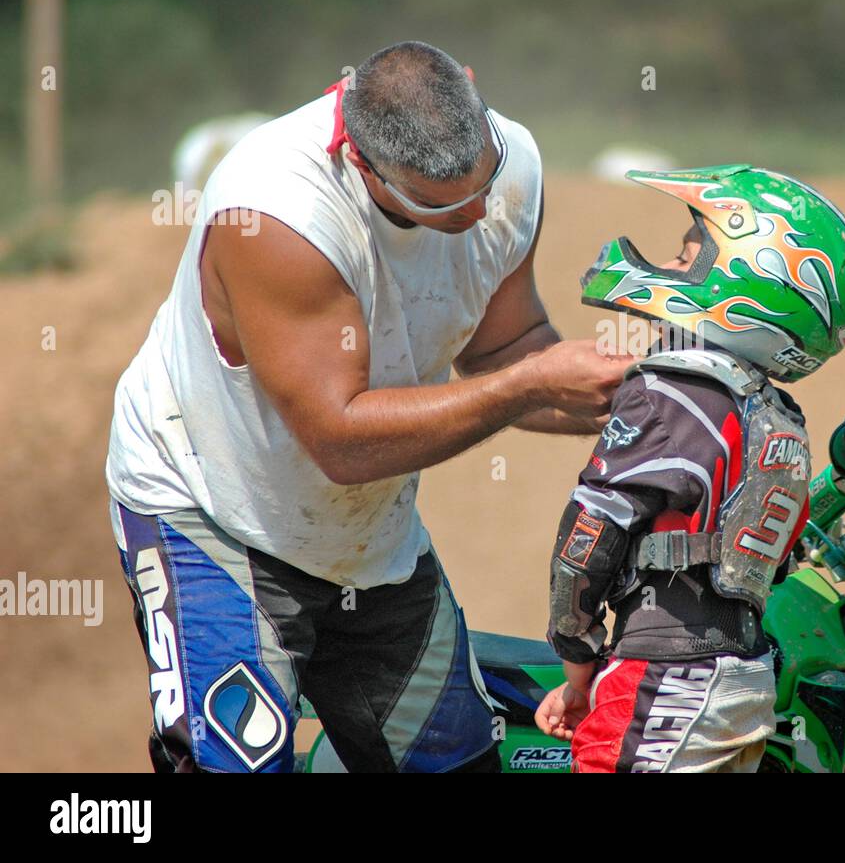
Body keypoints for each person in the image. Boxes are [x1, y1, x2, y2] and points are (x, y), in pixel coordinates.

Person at [106, 41, 634, 772]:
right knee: (234, 763)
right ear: (361, 162)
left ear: (475, 94)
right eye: (440, 204)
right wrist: (533, 385)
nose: (479, 212)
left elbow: (502, 350)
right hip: (210, 505)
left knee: (455, 763)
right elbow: (342, 442)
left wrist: (644, 400)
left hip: (363, 533)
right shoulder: (274, 213)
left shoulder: (511, 164)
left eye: (485, 183)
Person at [534, 164, 845, 771]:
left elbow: (588, 537)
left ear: (749, 280)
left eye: (690, 254)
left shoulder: (672, 393)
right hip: (742, 678)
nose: (672, 263)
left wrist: (576, 660)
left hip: (666, 677)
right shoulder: (778, 417)